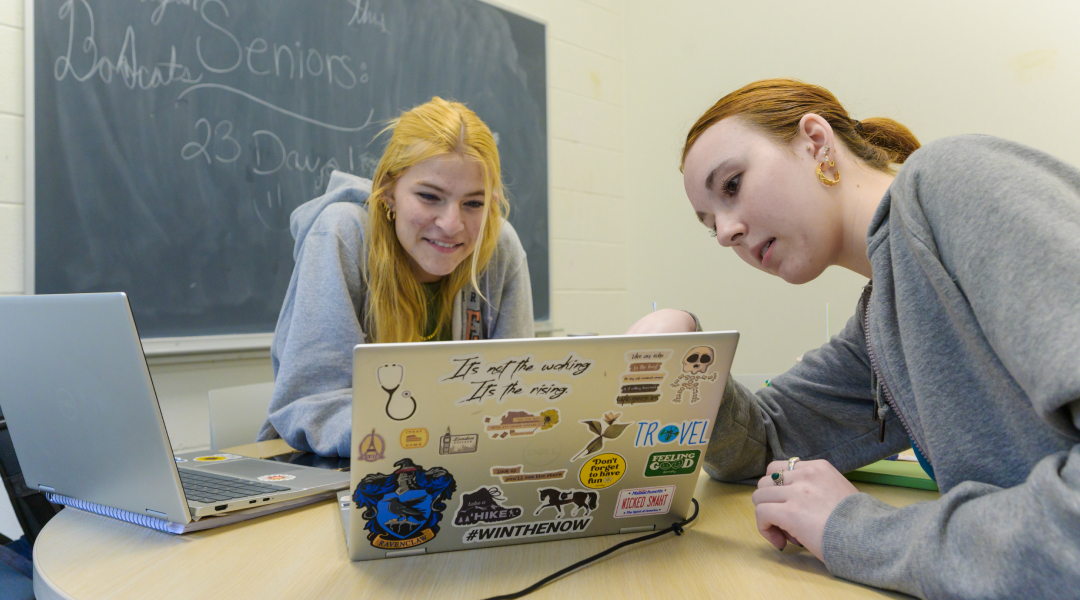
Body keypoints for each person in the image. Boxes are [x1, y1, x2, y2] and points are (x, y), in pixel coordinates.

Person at [628, 79, 1080, 598]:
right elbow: (762, 446)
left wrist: (853, 529)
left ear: (816, 142)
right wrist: (689, 355)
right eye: (711, 225)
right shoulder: (883, 318)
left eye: (731, 185)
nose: (727, 231)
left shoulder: (952, 180)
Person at [258, 97, 535, 457]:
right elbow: (314, 402)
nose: (452, 225)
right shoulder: (342, 234)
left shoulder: (499, 248)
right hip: (343, 468)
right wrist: (417, 438)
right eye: (429, 197)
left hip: (461, 463)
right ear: (389, 191)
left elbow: (517, 393)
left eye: (473, 203)